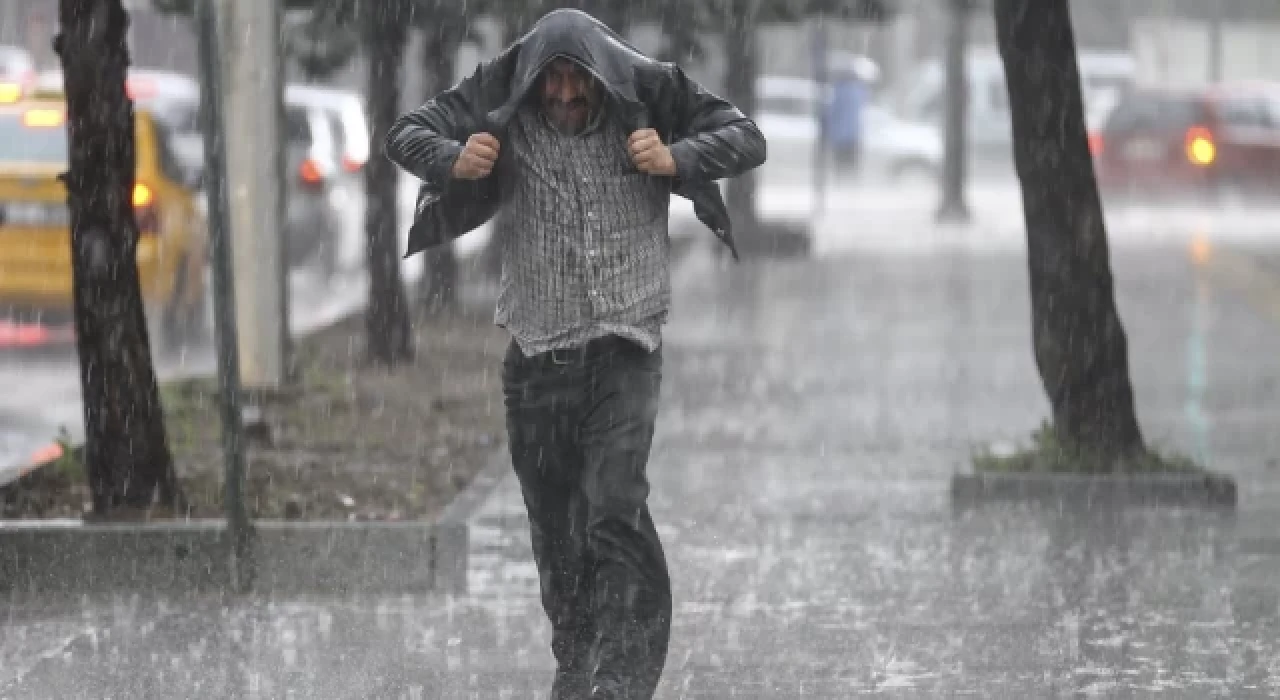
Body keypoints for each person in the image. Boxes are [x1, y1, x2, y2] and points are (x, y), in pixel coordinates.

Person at [384, 9, 765, 700]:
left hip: (626, 348)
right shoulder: (502, 85)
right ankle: (576, 659)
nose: (562, 94)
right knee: (557, 531)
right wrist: (452, 159)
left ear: (599, 74)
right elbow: (404, 133)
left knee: (614, 509)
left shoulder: (647, 87)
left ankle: (621, 677)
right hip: (535, 359)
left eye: (575, 80)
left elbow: (746, 137)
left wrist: (676, 158)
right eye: (551, 81)